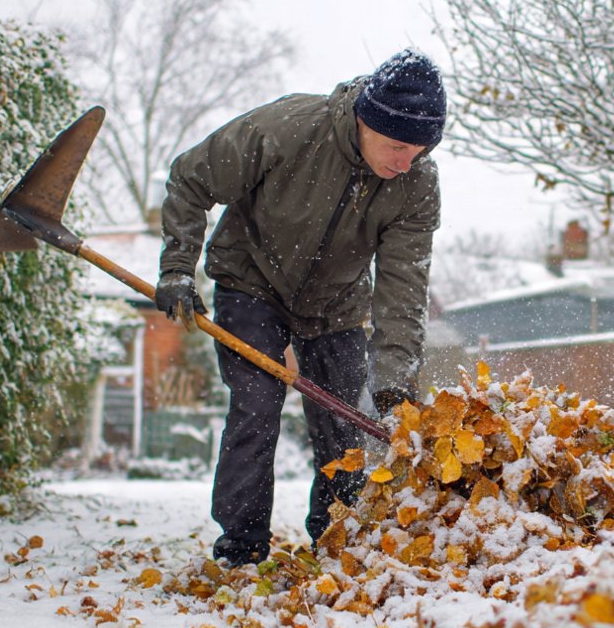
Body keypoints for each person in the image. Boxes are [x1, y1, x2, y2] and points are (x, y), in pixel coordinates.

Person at [154, 49, 445, 565]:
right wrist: (178, 267)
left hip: (337, 304)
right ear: (365, 119)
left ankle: (337, 542)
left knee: (342, 425)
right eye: (398, 145)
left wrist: (395, 379)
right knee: (256, 406)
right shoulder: (289, 129)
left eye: (420, 150)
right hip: (251, 281)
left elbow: (403, 287)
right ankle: (241, 549)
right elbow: (191, 178)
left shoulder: (417, 185)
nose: (406, 162)